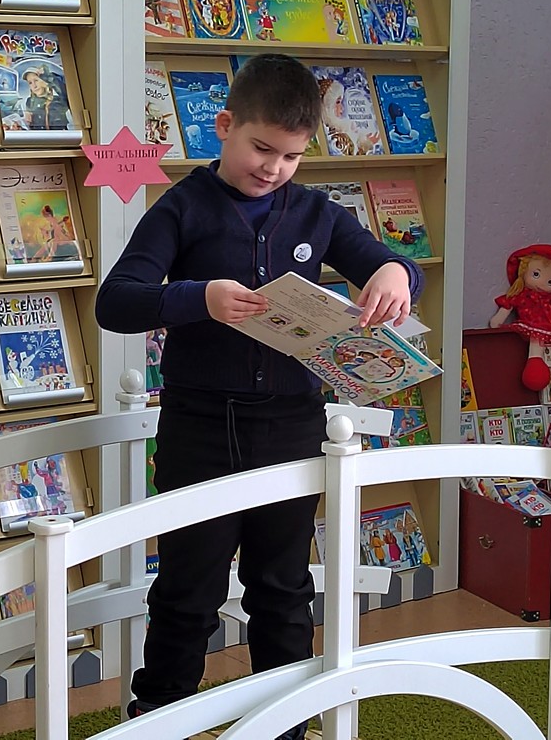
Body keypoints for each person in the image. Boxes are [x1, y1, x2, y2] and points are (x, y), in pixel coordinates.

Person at [95, 53, 423, 740]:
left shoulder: (316, 212)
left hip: (291, 425)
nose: (274, 168)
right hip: (199, 426)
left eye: (292, 156)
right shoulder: (182, 206)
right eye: (261, 148)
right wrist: (200, 299)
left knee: (283, 588)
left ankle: (286, 725)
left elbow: (386, 262)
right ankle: (158, 718)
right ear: (225, 126)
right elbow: (116, 301)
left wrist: (396, 273)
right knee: (189, 588)